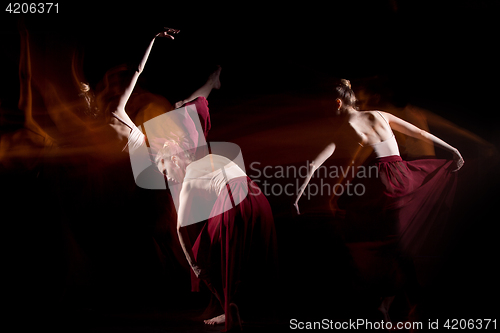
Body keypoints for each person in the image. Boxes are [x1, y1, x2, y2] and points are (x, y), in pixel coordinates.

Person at [294, 79, 464, 321]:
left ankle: (389, 299)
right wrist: (453, 150)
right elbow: (420, 132)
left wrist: (297, 199)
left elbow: (313, 164)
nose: (329, 113)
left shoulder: (346, 127)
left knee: (386, 243)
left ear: (339, 102)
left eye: (329, 108)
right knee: (399, 244)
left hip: (385, 183)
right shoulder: (380, 115)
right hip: (405, 175)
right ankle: (393, 301)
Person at [155, 139, 278, 332]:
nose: (167, 177)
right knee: (245, 251)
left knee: (202, 251)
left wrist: (194, 266)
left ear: (174, 160)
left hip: (234, 197)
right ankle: (237, 308)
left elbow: (180, 228)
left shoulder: (188, 180)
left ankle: (229, 310)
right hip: (257, 197)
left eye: (165, 171)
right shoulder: (212, 159)